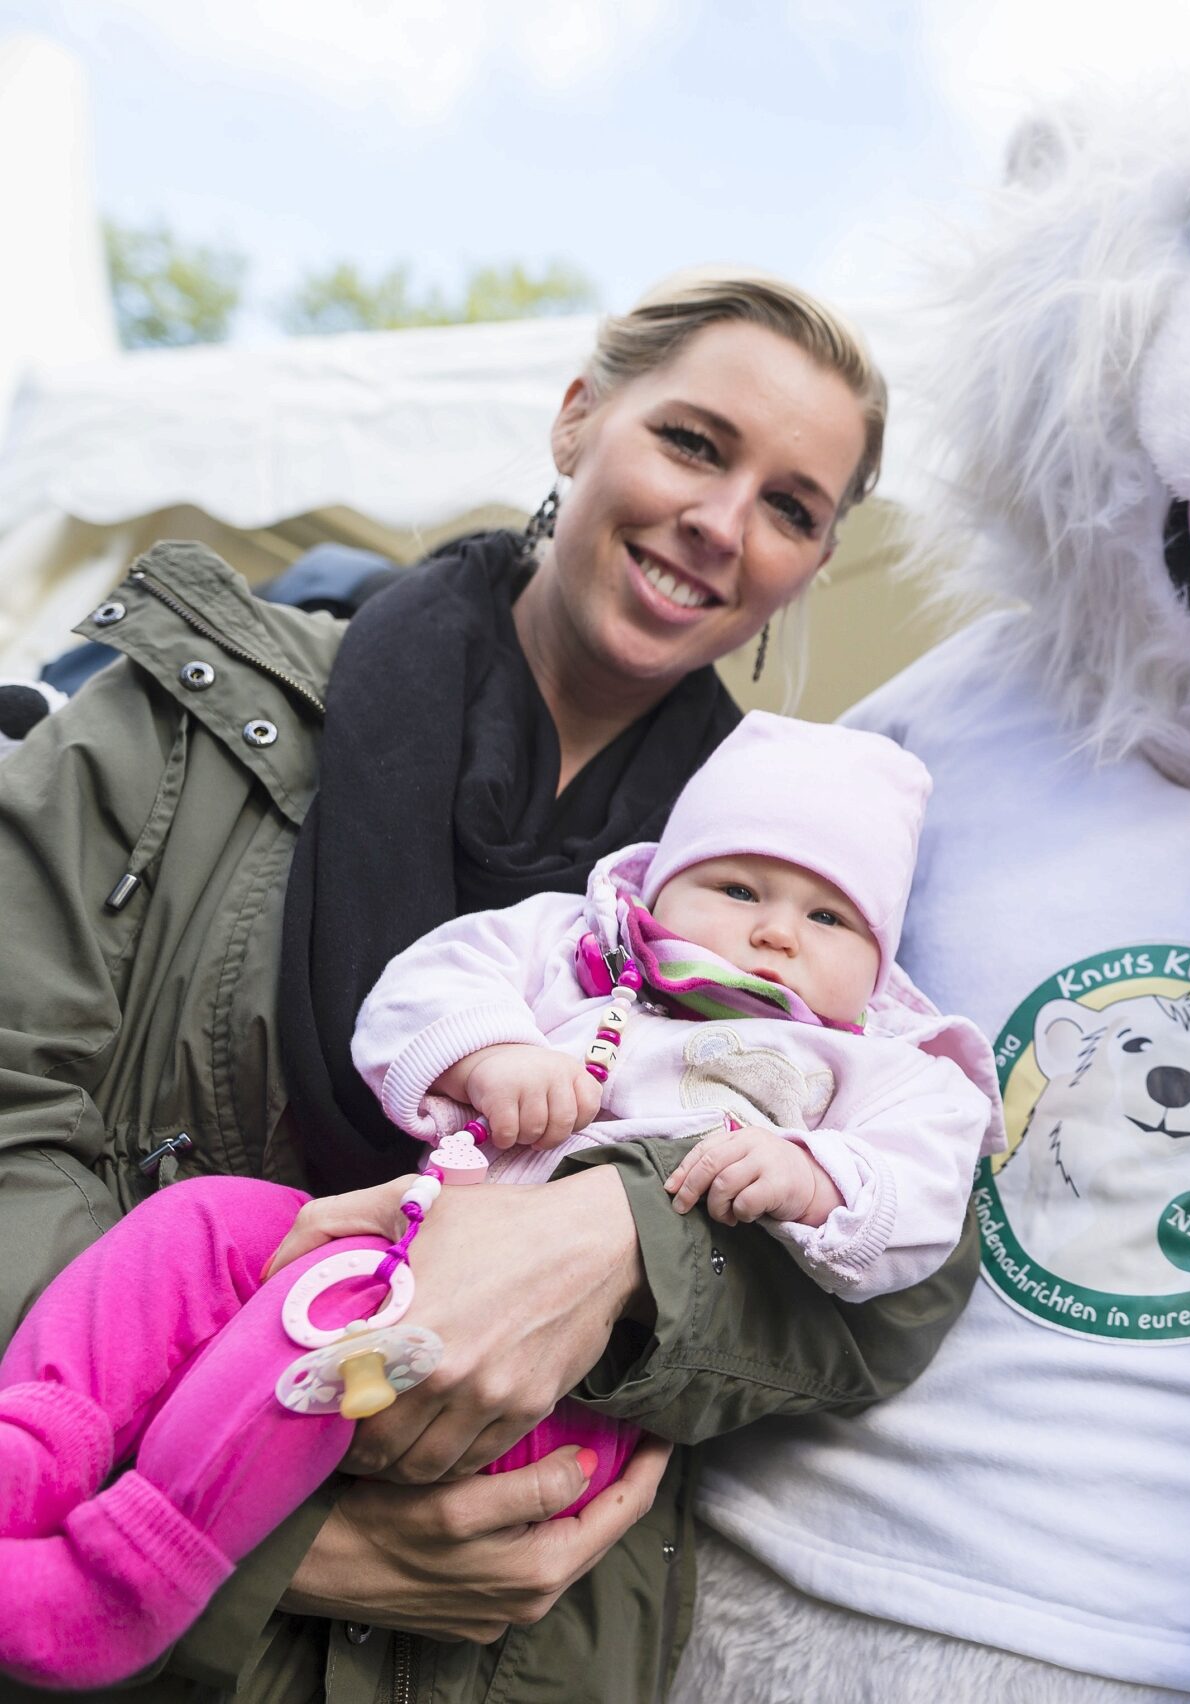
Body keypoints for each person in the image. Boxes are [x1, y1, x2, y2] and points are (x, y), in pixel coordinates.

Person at [0, 270, 971, 1704]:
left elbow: (897, 1264)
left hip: (505, 1650)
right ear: (578, 419)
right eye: (694, 444)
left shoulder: (803, 882)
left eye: (792, 506)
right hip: (96, 1573)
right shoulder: (181, 729)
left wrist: (625, 1238)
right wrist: (257, 1522)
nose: (722, 522)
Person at [0, 711, 999, 1690]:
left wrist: (818, 1179)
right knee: (205, 1219)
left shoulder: (881, 1062)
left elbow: (923, 1191)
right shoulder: (573, 947)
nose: (775, 931)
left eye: (827, 917)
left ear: (879, 960)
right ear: (661, 880)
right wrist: (490, 1053)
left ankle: (122, 1584)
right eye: (737, 887)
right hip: (408, 1231)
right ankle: (33, 1446)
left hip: (560, 1394)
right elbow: (425, 985)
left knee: (324, 1321)